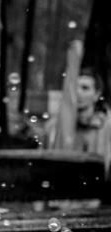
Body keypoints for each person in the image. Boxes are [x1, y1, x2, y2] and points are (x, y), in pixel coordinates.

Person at [47, 40, 111, 171]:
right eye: (75, 87)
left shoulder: (107, 127)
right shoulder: (54, 126)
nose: (78, 92)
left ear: (97, 94)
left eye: (85, 88)